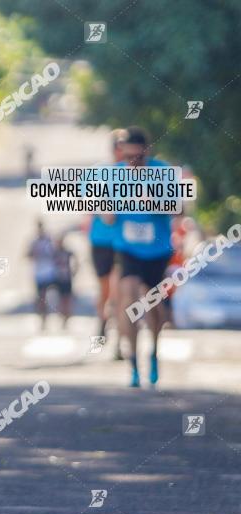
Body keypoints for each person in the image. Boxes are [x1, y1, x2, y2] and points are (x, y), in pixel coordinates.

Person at [109, 126, 173, 388]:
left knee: (154, 306)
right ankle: (133, 362)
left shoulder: (163, 172)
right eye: (127, 157)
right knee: (128, 297)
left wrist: (152, 201)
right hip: (128, 249)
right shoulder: (115, 175)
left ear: (146, 152)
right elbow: (107, 214)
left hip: (157, 250)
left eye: (137, 157)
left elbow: (178, 207)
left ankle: (154, 352)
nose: (132, 162)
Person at [88, 129, 127, 357]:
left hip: (126, 242)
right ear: (114, 149)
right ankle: (102, 323)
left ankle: (121, 342)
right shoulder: (99, 171)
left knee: (120, 290)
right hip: (102, 240)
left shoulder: (136, 173)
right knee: (105, 290)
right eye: (120, 147)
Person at [28, 220, 57, 331]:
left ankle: (49, 317)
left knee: (51, 297)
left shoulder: (49, 240)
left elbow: (56, 253)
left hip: (50, 273)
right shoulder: (33, 242)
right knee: (40, 298)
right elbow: (27, 255)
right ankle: (42, 319)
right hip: (38, 273)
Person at [52, 233, 76, 329]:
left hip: (67, 278)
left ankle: (66, 318)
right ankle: (62, 318)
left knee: (67, 299)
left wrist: (74, 271)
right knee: (59, 300)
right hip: (57, 279)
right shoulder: (54, 252)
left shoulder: (67, 251)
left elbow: (75, 258)